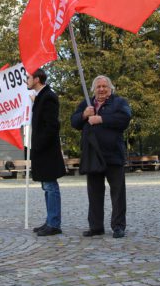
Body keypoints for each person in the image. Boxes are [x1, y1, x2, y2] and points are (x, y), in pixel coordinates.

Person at [71, 75, 131, 239]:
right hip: (93, 155)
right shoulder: (86, 103)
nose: (102, 89)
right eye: (98, 87)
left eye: (105, 86)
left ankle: (118, 226)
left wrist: (101, 119)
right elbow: (74, 122)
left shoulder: (119, 102)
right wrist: (84, 115)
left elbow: (125, 119)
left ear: (110, 88)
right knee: (94, 193)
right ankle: (96, 226)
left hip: (113, 155)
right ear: (93, 89)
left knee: (118, 193)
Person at [27, 68, 66, 236]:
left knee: (51, 187)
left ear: (37, 79)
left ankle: (54, 223)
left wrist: (39, 145)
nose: (26, 81)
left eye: (28, 78)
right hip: (42, 150)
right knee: (46, 186)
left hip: (47, 150)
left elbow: (52, 126)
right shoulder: (40, 97)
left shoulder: (48, 96)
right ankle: (50, 220)